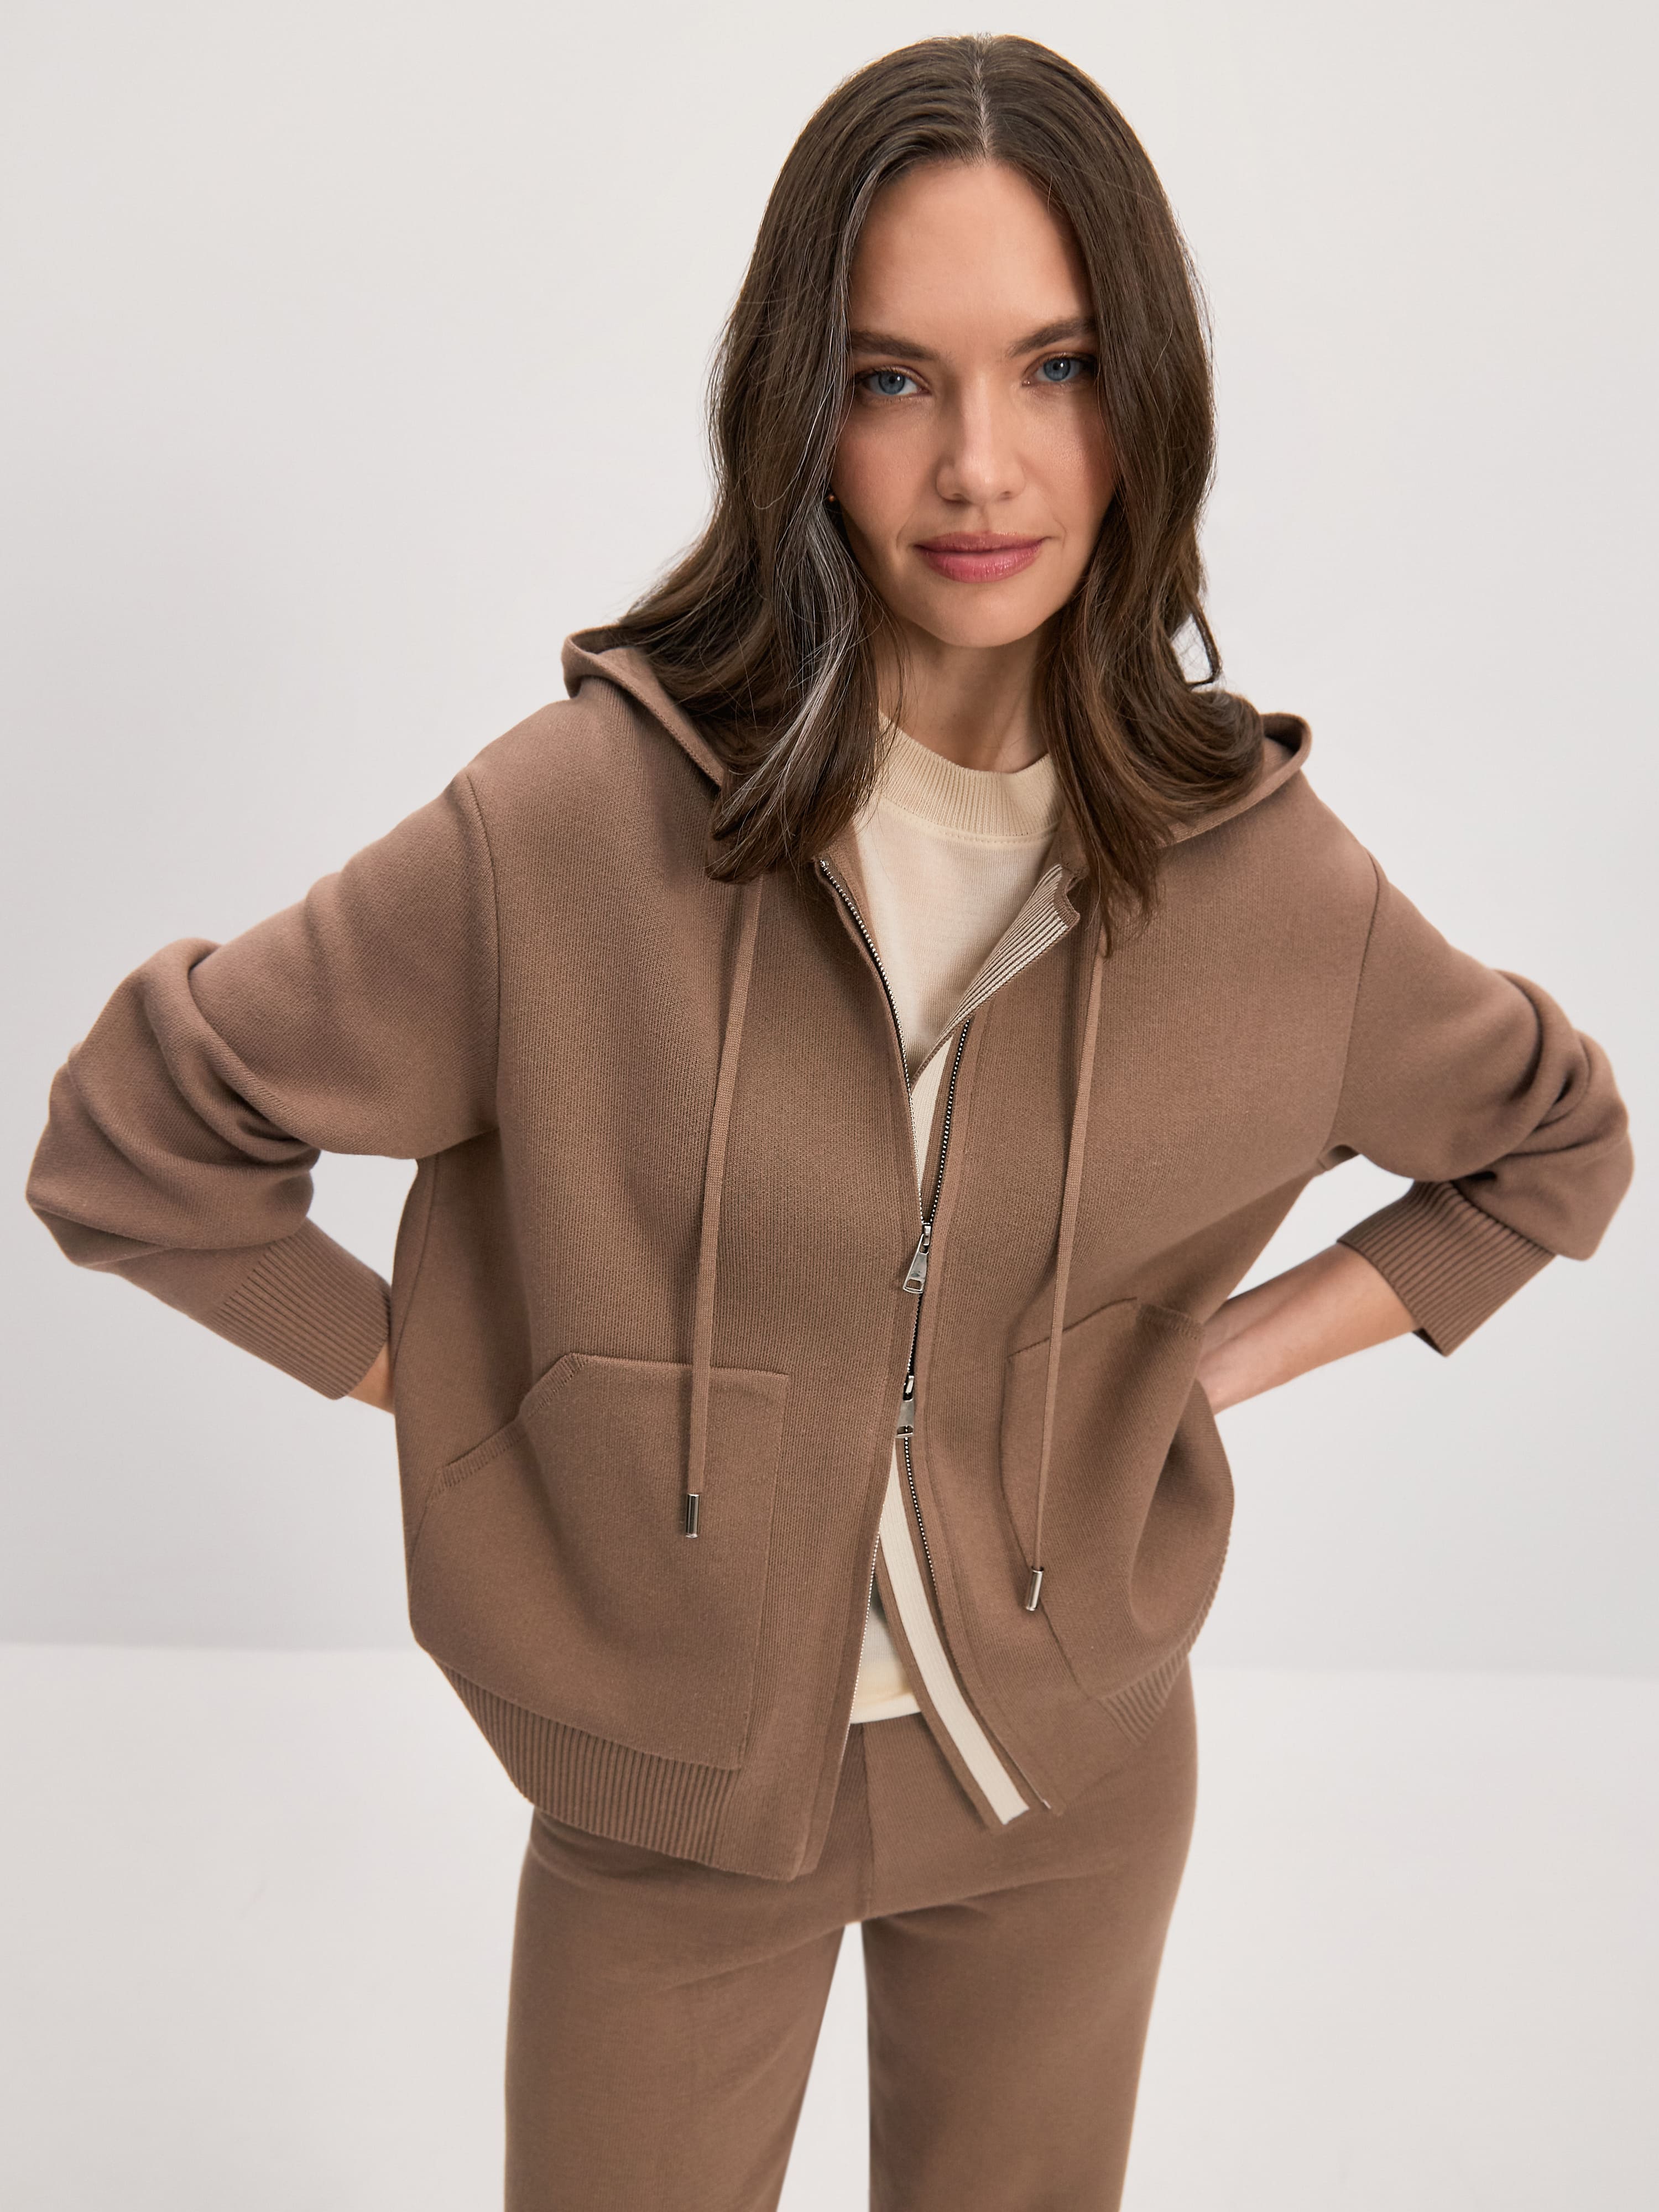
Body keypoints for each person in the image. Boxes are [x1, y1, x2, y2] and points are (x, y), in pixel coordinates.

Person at [25, 32, 1632, 2212]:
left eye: (1057, 367)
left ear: (1147, 395)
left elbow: (1551, 1150)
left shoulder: (1267, 883)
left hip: (1070, 1780)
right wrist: (467, 1392)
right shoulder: (577, 830)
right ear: (803, 405)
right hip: (671, 1799)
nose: (981, 462)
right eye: (895, 379)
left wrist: (1199, 1362)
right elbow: (137, 1139)